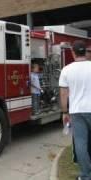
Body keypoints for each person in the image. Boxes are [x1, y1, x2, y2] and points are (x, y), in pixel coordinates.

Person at [59, 40, 91, 180]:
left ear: (73, 52)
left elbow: (64, 93)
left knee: (80, 143)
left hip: (76, 111)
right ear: (85, 52)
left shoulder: (66, 70)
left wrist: (64, 112)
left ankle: (86, 175)